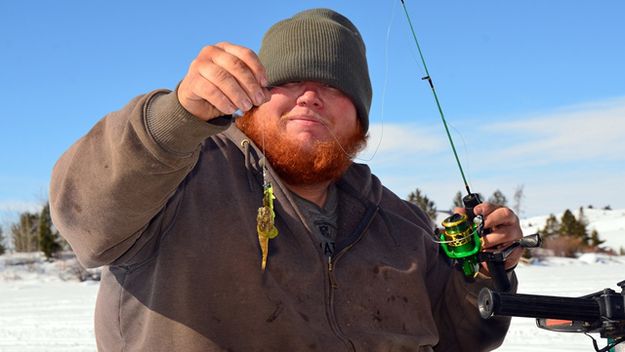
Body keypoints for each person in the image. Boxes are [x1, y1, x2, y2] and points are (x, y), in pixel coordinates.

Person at [50, 8, 523, 352]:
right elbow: (85, 215)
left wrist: (486, 272)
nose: (311, 96)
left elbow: (465, 337)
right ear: (251, 96)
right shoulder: (181, 174)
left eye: (335, 87)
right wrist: (175, 116)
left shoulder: (398, 222)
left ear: (360, 121)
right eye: (289, 81)